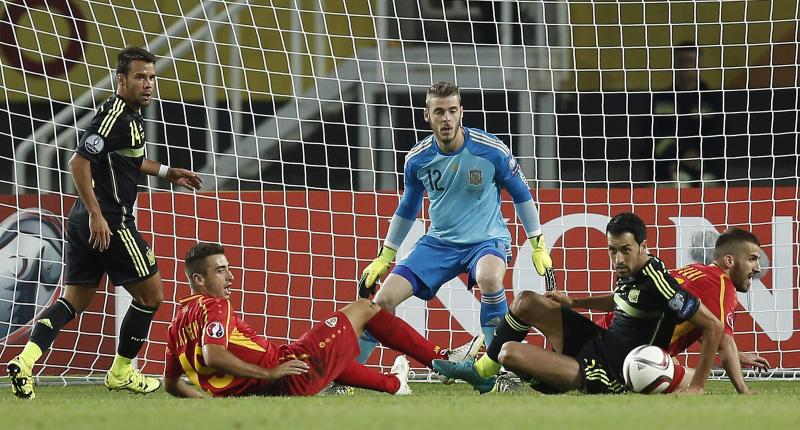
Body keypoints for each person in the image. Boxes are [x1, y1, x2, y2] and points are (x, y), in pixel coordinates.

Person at [6, 47, 203, 399]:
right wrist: (98, 214)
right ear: (121, 80)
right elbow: (77, 163)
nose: (148, 85)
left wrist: (167, 172)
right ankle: (122, 372)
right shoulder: (114, 116)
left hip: (84, 221)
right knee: (152, 294)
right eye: (140, 77)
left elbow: (131, 161)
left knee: (74, 300)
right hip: (109, 219)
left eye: (152, 78)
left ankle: (25, 360)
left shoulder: (130, 117)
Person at [357, 81, 553, 364]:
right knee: (383, 300)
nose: (446, 119)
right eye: (439, 112)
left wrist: (538, 244)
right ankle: (349, 376)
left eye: (452, 111)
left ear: (461, 112)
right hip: (438, 243)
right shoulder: (417, 159)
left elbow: (522, 194)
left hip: (487, 241)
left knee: (489, 277)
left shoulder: (491, 150)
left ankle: (500, 369)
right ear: (427, 116)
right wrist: (385, 256)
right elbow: (408, 207)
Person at [433, 212, 723, 395]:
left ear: (643, 247)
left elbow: (713, 326)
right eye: (612, 250)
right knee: (525, 301)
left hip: (609, 372)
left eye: (625, 250)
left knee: (509, 352)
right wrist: (573, 302)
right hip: (598, 341)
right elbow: (620, 301)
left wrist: (697, 385)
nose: (618, 259)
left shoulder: (660, 282)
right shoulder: (632, 270)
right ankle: (483, 372)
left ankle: (545, 381)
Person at [163, 242, 480, 398]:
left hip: (282, 382)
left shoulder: (176, 325)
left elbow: (172, 383)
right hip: (291, 368)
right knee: (366, 309)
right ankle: (443, 360)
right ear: (198, 281)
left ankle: (395, 385)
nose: (231, 277)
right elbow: (213, 354)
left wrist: (210, 401)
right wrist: (269, 371)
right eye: (221, 271)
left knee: (335, 354)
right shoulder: (214, 306)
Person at [594, 227, 770, 393]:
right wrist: (744, 390)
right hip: (627, 353)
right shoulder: (723, 286)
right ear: (729, 261)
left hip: (602, 333)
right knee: (692, 378)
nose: (757, 268)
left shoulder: (693, 271)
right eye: (752, 259)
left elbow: (699, 325)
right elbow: (724, 341)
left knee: (668, 360)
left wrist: (736, 354)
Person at [652, 43, 723, 186]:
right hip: (668, 170)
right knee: (678, 183)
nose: (686, 66)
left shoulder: (714, 101)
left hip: (708, 171)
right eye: (681, 61)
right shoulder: (660, 101)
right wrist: (680, 157)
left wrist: (699, 159)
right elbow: (654, 138)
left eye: (690, 61)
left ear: (699, 64)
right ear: (674, 64)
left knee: (708, 183)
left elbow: (720, 137)